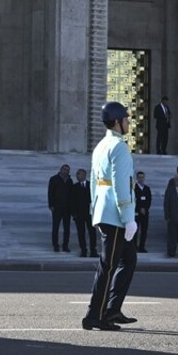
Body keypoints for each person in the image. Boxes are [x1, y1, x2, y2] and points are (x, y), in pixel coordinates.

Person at [82, 102, 138, 331]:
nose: (128, 122)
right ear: (117, 121)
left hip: (104, 211)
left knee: (128, 260)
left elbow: (95, 183)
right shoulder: (119, 147)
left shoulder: (101, 146)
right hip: (116, 215)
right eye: (126, 118)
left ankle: (113, 309)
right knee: (108, 266)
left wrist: (94, 208)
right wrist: (128, 217)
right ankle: (95, 315)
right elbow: (122, 185)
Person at [71, 168, 97, 257]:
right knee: (81, 232)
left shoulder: (92, 185)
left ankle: (93, 250)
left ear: (84, 175)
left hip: (90, 213)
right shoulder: (74, 187)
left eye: (79, 174)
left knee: (92, 232)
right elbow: (72, 201)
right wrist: (74, 213)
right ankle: (83, 250)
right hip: (79, 214)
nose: (78, 176)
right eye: (77, 174)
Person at [47, 164, 72, 252]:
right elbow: (50, 193)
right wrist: (51, 205)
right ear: (61, 170)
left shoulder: (69, 180)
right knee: (55, 227)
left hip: (67, 208)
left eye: (67, 170)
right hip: (57, 207)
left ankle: (65, 245)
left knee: (67, 228)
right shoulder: (54, 179)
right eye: (64, 169)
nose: (66, 171)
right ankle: (55, 245)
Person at [134, 171, 151, 252]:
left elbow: (149, 200)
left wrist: (145, 208)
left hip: (145, 213)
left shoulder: (147, 188)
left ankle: (142, 247)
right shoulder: (133, 188)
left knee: (144, 230)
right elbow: (133, 200)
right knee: (135, 231)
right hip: (136, 213)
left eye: (142, 177)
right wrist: (139, 208)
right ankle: (134, 246)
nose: (141, 179)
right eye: (139, 177)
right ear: (137, 178)